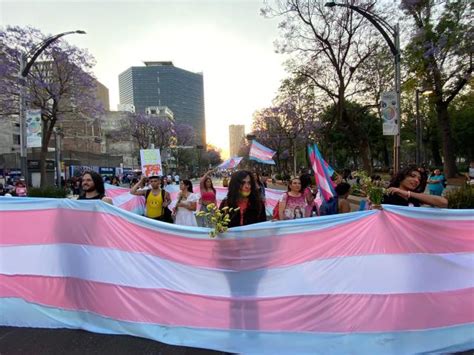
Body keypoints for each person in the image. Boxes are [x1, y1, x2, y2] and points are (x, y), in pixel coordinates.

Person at [383, 166, 448, 208]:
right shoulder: (387, 195)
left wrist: (407, 193)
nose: (416, 180)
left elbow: (443, 202)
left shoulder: (414, 197)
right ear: (401, 178)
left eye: (419, 179)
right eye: (412, 176)